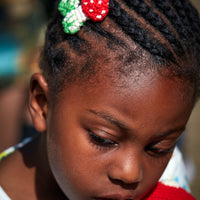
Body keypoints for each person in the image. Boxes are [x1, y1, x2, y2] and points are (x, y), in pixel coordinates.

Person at [0, 0, 200, 199]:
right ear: (43, 103)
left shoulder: (170, 176)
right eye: (103, 139)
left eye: (158, 149)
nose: (130, 173)